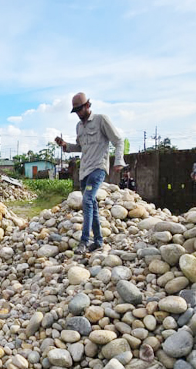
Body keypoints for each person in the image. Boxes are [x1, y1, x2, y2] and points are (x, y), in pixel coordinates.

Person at [55, 92, 124, 254]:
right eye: (76, 111)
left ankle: (84, 241)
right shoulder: (79, 126)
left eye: (80, 109)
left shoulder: (101, 120)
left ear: (87, 105)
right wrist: (65, 145)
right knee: (91, 204)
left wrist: (118, 160)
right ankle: (98, 241)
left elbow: (118, 140)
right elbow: (80, 147)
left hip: (98, 168)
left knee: (86, 200)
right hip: (84, 171)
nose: (78, 113)